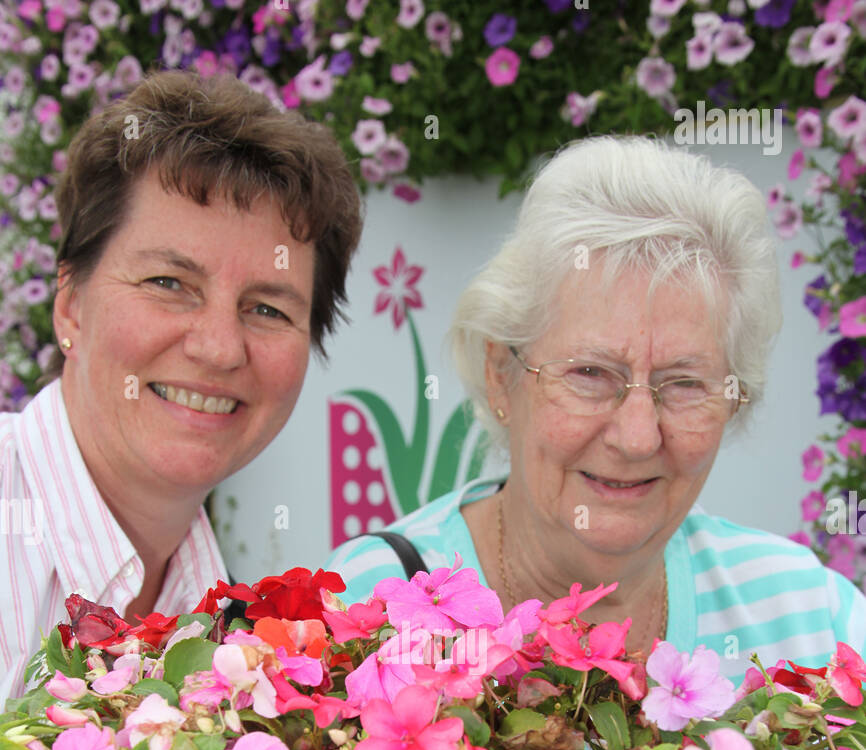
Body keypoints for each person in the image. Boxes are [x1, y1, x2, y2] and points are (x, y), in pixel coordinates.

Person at [328, 135, 866, 678]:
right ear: (500, 375)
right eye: (590, 373)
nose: (637, 437)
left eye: (683, 384)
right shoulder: (369, 603)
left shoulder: (810, 619)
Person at [0, 69, 362, 706]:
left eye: (268, 309)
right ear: (70, 306)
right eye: (169, 283)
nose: (219, 348)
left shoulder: (235, 631)